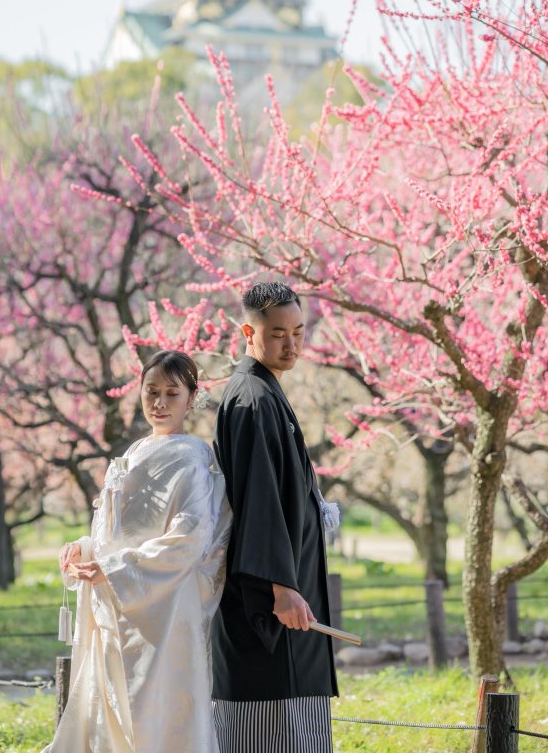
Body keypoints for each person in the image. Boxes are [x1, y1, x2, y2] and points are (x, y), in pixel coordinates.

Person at [44, 349, 231, 753]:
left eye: (171, 393)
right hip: (118, 596)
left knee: (160, 710)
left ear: (191, 397)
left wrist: (111, 567)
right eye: (151, 392)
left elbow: (190, 538)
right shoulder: (131, 453)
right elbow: (115, 531)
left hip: (165, 606)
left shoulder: (195, 458)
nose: (159, 403)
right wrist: (83, 548)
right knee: (110, 708)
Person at [212, 282, 338, 753]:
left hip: (289, 595)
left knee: (297, 724)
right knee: (270, 730)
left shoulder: (267, 392)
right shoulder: (250, 398)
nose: (291, 345)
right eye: (278, 333)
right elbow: (258, 501)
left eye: (299, 332)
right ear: (249, 331)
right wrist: (280, 587)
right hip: (270, 602)